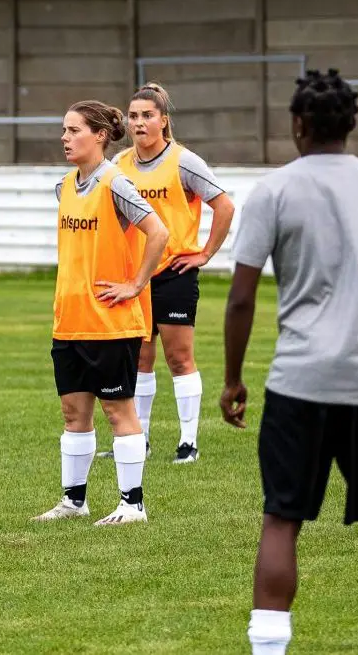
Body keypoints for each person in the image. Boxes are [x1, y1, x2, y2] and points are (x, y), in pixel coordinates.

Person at [221, 69, 358, 655]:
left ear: (297, 124)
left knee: (282, 520)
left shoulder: (273, 190)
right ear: (348, 124)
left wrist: (234, 379)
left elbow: (242, 297)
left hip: (300, 381)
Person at [32, 100, 169, 526]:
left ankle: (133, 505)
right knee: (74, 413)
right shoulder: (65, 186)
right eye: (65, 130)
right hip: (70, 320)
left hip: (111, 323)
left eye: (74, 130)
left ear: (100, 136)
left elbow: (158, 232)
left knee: (118, 412)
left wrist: (136, 283)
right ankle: (74, 501)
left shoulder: (116, 184)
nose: (65, 138)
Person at [105, 83, 236, 464]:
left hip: (175, 272)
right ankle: (139, 438)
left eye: (147, 115)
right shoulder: (119, 166)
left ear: (164, 120)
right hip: (137, 277)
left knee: (179, 358)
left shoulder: (184, 162)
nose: (139, 122)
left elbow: (224, 207)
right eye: (133, 116)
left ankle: (188, 442)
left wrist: (205, 254)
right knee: (141, 358)